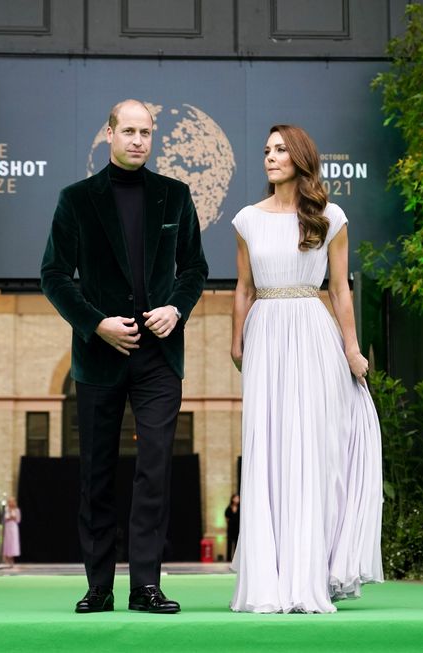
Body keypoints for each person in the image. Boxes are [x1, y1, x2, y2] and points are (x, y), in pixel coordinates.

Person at [41, 99, 208, 614]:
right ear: (109, 134)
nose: (138, 140)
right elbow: (53, 275)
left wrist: (176, 310)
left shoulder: (176, 197)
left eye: (146, 132)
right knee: (95, 472)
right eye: (128, 130)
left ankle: (146, 586)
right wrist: (96, 323)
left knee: (154, 470)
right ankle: (98, 587)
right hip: (98, 355)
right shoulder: (76, 200)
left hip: (160, 356)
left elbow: (194, 270)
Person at [229, 124, 384, 613]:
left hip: (314, 334)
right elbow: (243, 289)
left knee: (315, 448)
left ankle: (313, 572)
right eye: (266, 150)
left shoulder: (330, 217)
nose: (270, 158)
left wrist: (352, 349)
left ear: (300, 157)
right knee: (269, 449)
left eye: (279, 150)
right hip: (266, 335)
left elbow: (340, 289)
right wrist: (237, 343)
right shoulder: (247, 220)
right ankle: (270, 580)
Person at [3, 496, 21, 566]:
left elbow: (18, 520)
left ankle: (12, 559)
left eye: (12, 501)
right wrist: (9, 517)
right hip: (7, 526)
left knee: (13, 542)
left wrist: (13, 517)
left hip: (13, 527)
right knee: (7, 541)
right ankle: (6, 558)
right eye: (9, 501)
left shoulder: (17, 510)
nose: (10, 503)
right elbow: (4, 519)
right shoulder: (6, 509)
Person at [224, 493, 240, 562]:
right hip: (231, 528)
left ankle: (236, 559)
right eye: (236, 498)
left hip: (237, 528)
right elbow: (226, 518)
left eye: (238, 498)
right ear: (232, 499)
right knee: (229, 543)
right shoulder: (229, 508)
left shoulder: (240, 508)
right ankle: (228, 559)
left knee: (237, 544)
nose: (237, 499)